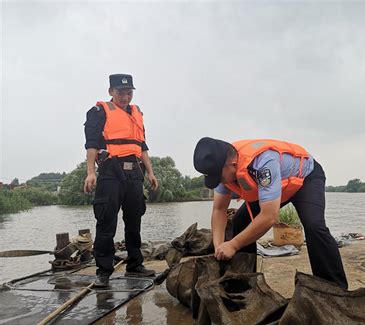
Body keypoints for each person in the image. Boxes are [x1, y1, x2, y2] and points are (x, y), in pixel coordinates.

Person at [193, 137, 348, 289]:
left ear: (232, 164)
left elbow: (269, 217)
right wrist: (218, 245)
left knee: (314, 226)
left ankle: (335, 288)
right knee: (240, 222)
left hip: (305, 179)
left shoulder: (263, 163)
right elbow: (219, 210)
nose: (219, 182)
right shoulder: (222, 169)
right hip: (275, 189)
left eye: (219, 177)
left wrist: (233, 245)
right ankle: (245, 284)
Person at [83, 74, 158, 287]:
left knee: (134, 219)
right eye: (120, 93)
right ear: (111, 92)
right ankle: (103, 271)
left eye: (129, 93)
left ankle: (135, 264)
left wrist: (150, 173)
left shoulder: (137, 114)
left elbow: (142, 146)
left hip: (135, 172)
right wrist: (91, 172)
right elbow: (92, 144)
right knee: (107, 221)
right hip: (110, 171)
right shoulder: (99, 112)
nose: (125, 97)